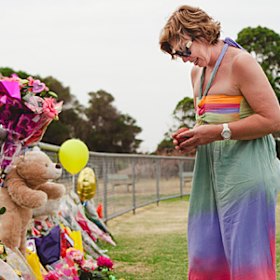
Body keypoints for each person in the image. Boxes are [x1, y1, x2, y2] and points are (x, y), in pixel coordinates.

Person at [159, 5, 280, 280]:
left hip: (247, 177)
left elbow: (274, 119)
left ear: (199, 33)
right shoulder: (197, 74)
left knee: (248, 265)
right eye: (178, 55)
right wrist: (192, 136)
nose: (184, 58)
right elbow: (208, 124)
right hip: (210, 180)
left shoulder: (241, 62)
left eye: (185, 49)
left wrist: (216, 133)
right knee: (205, 259)